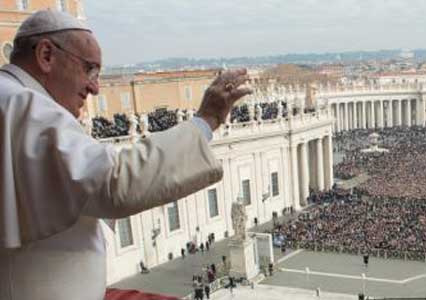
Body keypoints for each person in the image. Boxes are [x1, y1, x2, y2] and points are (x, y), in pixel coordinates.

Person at [0, 9, 251, 300]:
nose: (94, 87)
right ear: (46, 55)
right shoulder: (20, 104)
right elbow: (113, 182)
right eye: (89, 69)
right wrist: (206, 121)